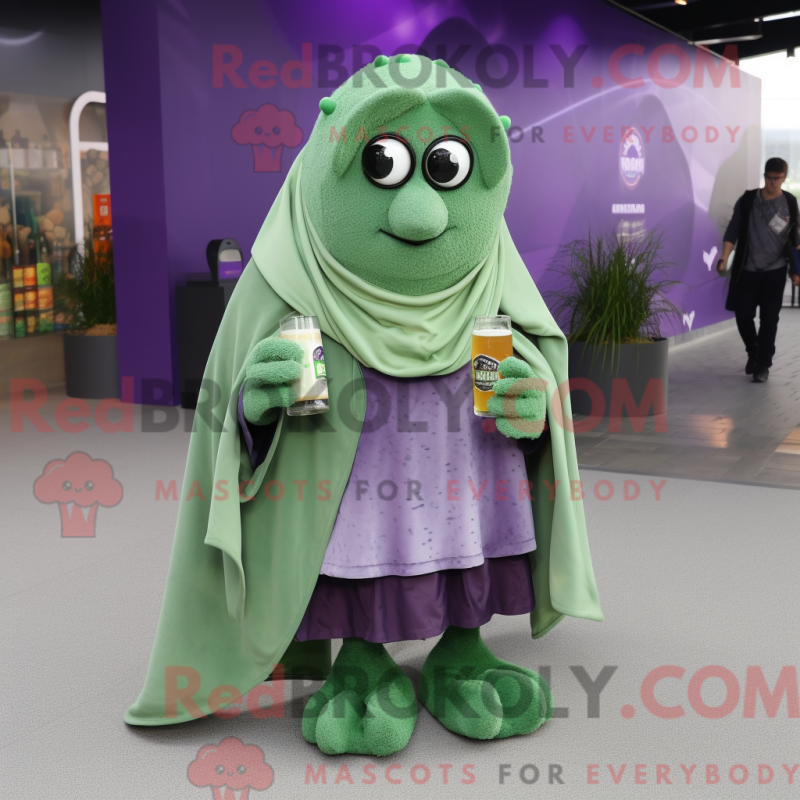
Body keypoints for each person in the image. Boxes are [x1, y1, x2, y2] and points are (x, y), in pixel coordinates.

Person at [717, 157, 800, 383]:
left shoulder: (790, 202)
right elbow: (733, 229)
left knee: (769, 319)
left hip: (775, 271)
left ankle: (763, 365)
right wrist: (724, 257)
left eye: (777, 178)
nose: (773, 182)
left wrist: (796, 271)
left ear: (784, 177)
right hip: (747, 270)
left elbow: (795, 239)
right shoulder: (748, 200)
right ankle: (753, 351)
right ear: (764, 176)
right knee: (743, 315)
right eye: (769, 178)